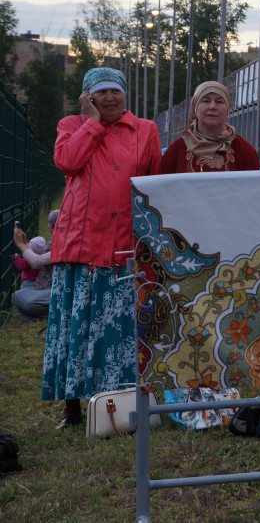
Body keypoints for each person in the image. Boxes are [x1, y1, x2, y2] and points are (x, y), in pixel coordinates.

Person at [44, 68, 161, 429]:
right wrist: (92, 123)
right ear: (87, 97)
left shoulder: (146, 130)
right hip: (81, 243)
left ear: (125, 95)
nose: (109, 97)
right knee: (76, 326)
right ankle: (72, 409)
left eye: (115, 91)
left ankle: (116, 405)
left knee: (117, 330)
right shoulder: (71, 125)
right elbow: (67, 162)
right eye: (101, 92)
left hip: (125, 243)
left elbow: (154, 183)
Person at [160, 82, 260, 173]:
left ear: (227, 109)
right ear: (195, 108)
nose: (212, 107)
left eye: (219, 102)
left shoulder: (244, 150)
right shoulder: (177, 149)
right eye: (206, 101)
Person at [12, 224, 51, 321]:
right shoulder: (42, 254)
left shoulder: (30, 259)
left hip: (28, 282)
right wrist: (25, 242)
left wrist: (16, 258)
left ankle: (28, 315)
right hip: (37, 282)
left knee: (21, 296)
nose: (48, 226)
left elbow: (23, 265)